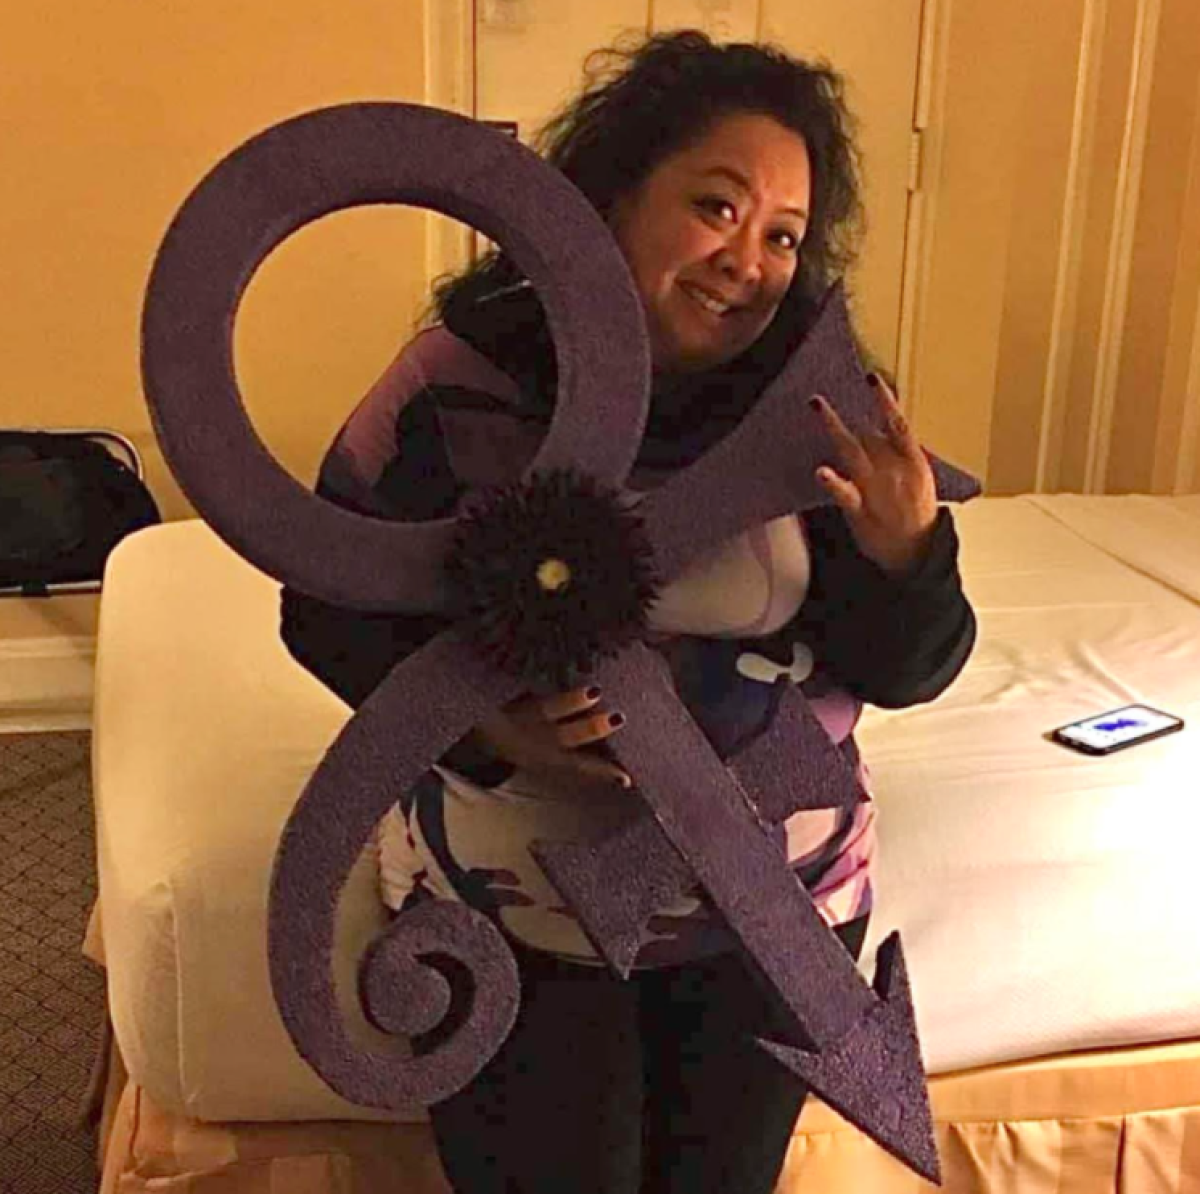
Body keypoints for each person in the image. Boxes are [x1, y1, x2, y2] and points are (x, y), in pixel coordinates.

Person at [281, 29, 976, 1194]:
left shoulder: (825, 408)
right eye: (716, 207)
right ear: (608, 199)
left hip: (775, 917)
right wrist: (487, 728)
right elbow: (324, 604)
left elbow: (909, 667)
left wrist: (909, 553)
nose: (746, 260)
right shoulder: (459, 378)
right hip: (510, 910)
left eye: (783, 237)